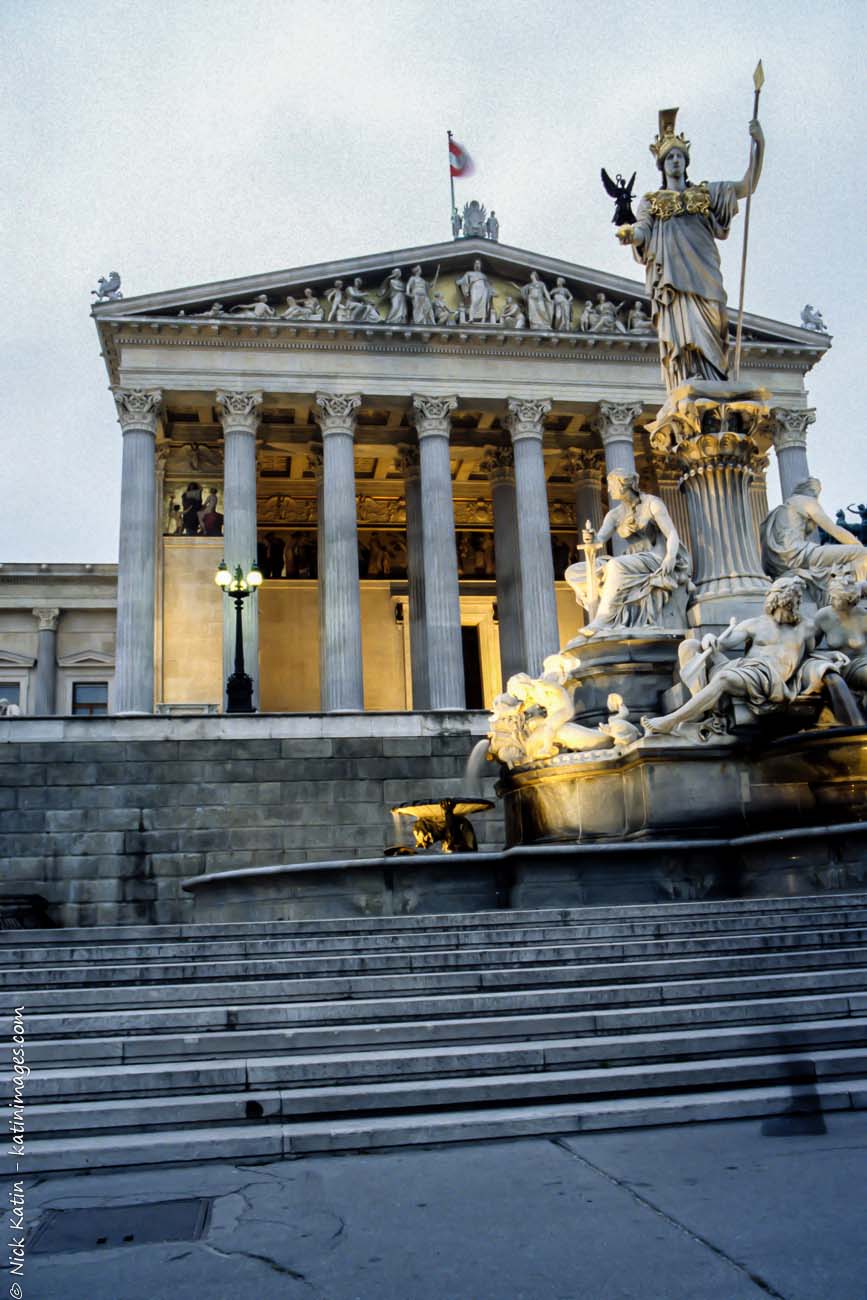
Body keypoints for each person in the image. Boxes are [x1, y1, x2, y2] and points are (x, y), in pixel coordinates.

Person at [616, 108, 765, 392]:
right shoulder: (651, 201)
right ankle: (690, 376)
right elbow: (643, 231)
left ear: (686, 163)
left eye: (679, 157)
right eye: (669, 157)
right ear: (662, 166)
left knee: (713, 325)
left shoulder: (707, 194)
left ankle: (714, 379)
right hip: (674, 282)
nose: (674, 161)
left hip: (704, 272)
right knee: (684, 334)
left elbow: (748, 186)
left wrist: (759, 144)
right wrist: (630, 235)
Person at [643, 575, 851, 736]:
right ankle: (702, 707)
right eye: (793, 602)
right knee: (690, 645)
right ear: (779, 601)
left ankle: (671, 721)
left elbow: (810, 654)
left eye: (797, 602)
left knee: (723, 678)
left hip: (769, 679)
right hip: (747, 668)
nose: (797, 607)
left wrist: (831, 655)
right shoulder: (755, 624)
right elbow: (723, 644)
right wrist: (708, 638)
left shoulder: (806, 627)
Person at [565, 471, 691, 636]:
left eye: (611, 486)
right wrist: (591, 537)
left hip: (656, 558)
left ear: (623, 485)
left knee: (615, 565)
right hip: (633, 560)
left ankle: (603, 620)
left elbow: (672, 534)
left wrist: (670, 557)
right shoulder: (614, 515)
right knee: (573, 572)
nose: (608, 490)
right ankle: (605, 611)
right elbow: (600, 538)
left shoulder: (652, 504)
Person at [760, 478, 867, 601]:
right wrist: (858, 546)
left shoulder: (781, 509)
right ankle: (859, 597)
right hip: (798, 553)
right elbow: (833, 529)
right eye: (818, 492)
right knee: (863, 554)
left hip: (778, 562)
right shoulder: (806, 501)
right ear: (813, 490)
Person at [456, 259, 494, 323]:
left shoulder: (483, 275)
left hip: (484, 290)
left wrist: (491, 291)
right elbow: (462, 281)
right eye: (476, 263)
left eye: (478, 264)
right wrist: (458, 282)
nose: (477, 265)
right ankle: (471, 318)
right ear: (474, 265)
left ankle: (483, 319)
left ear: (481, 266)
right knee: (473, 302)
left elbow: (488, 285)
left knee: (483, 303)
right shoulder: (469, 273)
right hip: (474, 288)